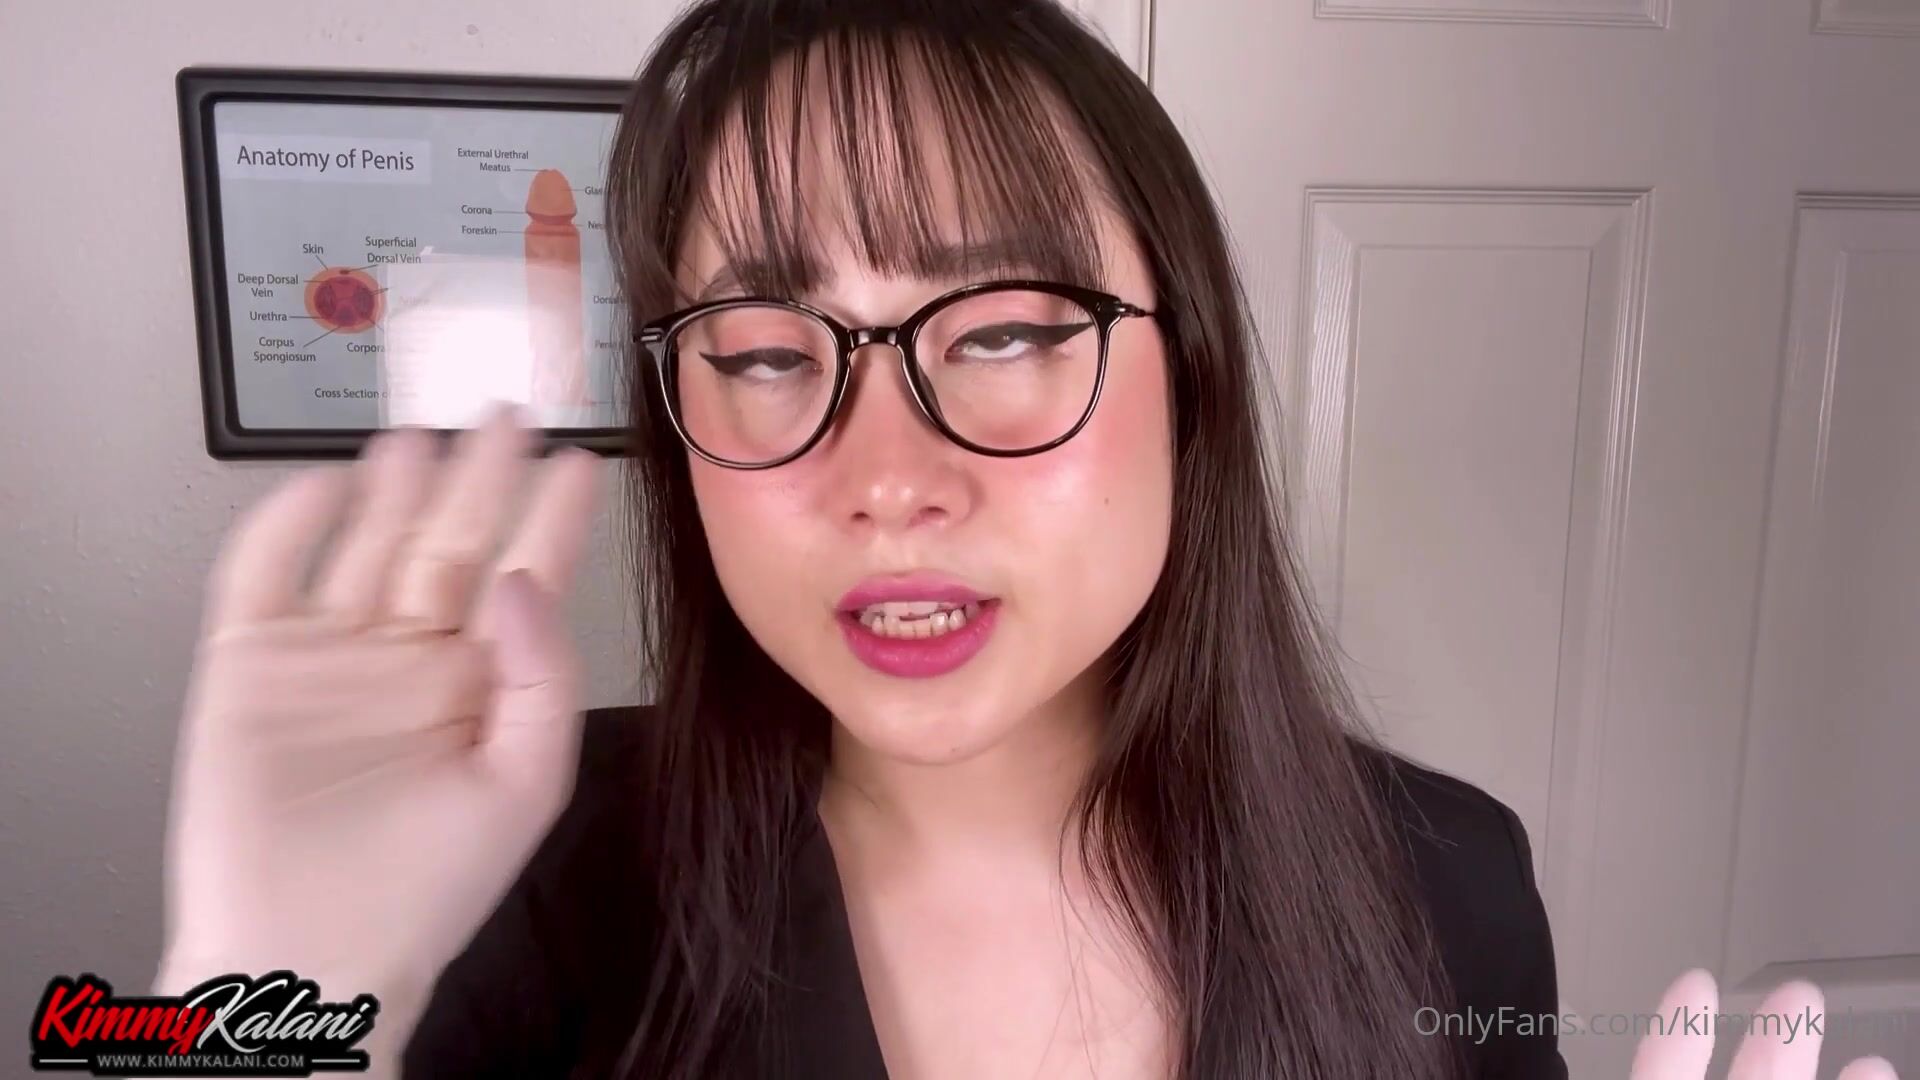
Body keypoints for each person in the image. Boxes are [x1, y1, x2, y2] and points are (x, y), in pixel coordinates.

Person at [154, 1, 1902, 1078]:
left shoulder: (1446, 887)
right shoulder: (512, 869)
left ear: (1190, 379)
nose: (886, 479)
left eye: (1000, 330)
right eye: (764, 355)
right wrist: (258, 1001)